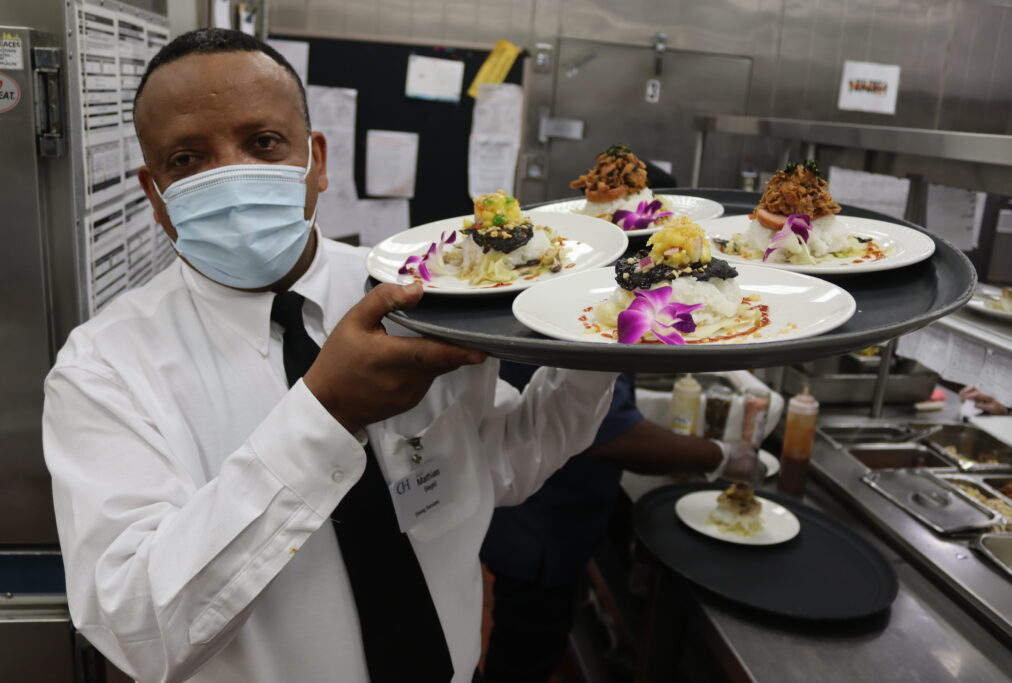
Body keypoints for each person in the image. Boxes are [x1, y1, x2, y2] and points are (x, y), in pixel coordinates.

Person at [42, 29, 615, 683]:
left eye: (262, 143)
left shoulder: (419, 292)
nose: (232, 174)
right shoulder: (104, 370)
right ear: (154, 192)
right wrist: (324, 414)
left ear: (316, 159)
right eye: (188, 159)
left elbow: (507, 461)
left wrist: (600, 334)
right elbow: (140, 629)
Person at [480, 364, 765, 683]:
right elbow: (612, 435)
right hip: (538, 532)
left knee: (529, 645)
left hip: (548, 519)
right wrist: (721, 456)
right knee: (523, 657)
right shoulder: (571, 322)